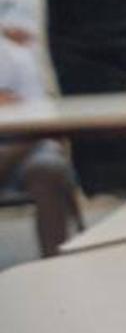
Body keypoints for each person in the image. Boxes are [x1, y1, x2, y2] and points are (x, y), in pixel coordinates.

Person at [0, 27, 80, 257]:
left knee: (48, 167)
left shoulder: (17, 55)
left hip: (20, 148)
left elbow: (41, 118)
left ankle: (54, 263)